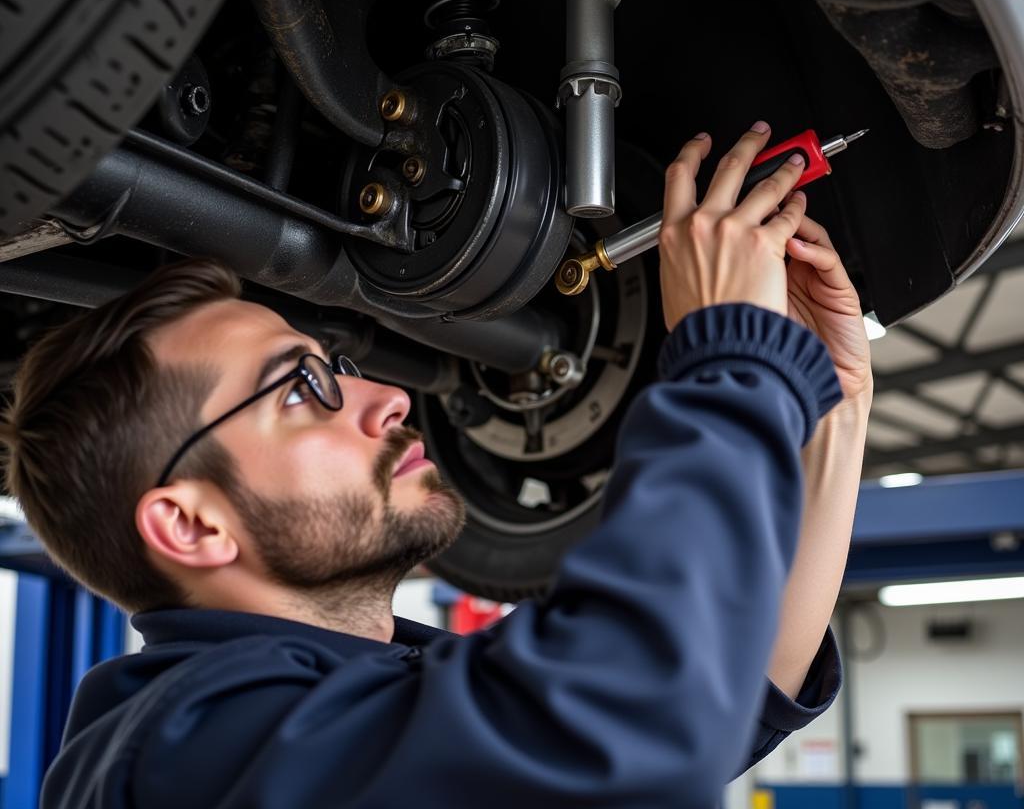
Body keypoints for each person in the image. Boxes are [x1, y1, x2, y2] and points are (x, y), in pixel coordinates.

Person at [1, 121, 872, 809]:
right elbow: (636, 712)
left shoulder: (350, 700)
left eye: (335, 366)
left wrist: (833, 406)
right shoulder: (183, 752)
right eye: (304, 388)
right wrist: (732, 359)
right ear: (191, 523)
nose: (387, 399)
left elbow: (716, 699)